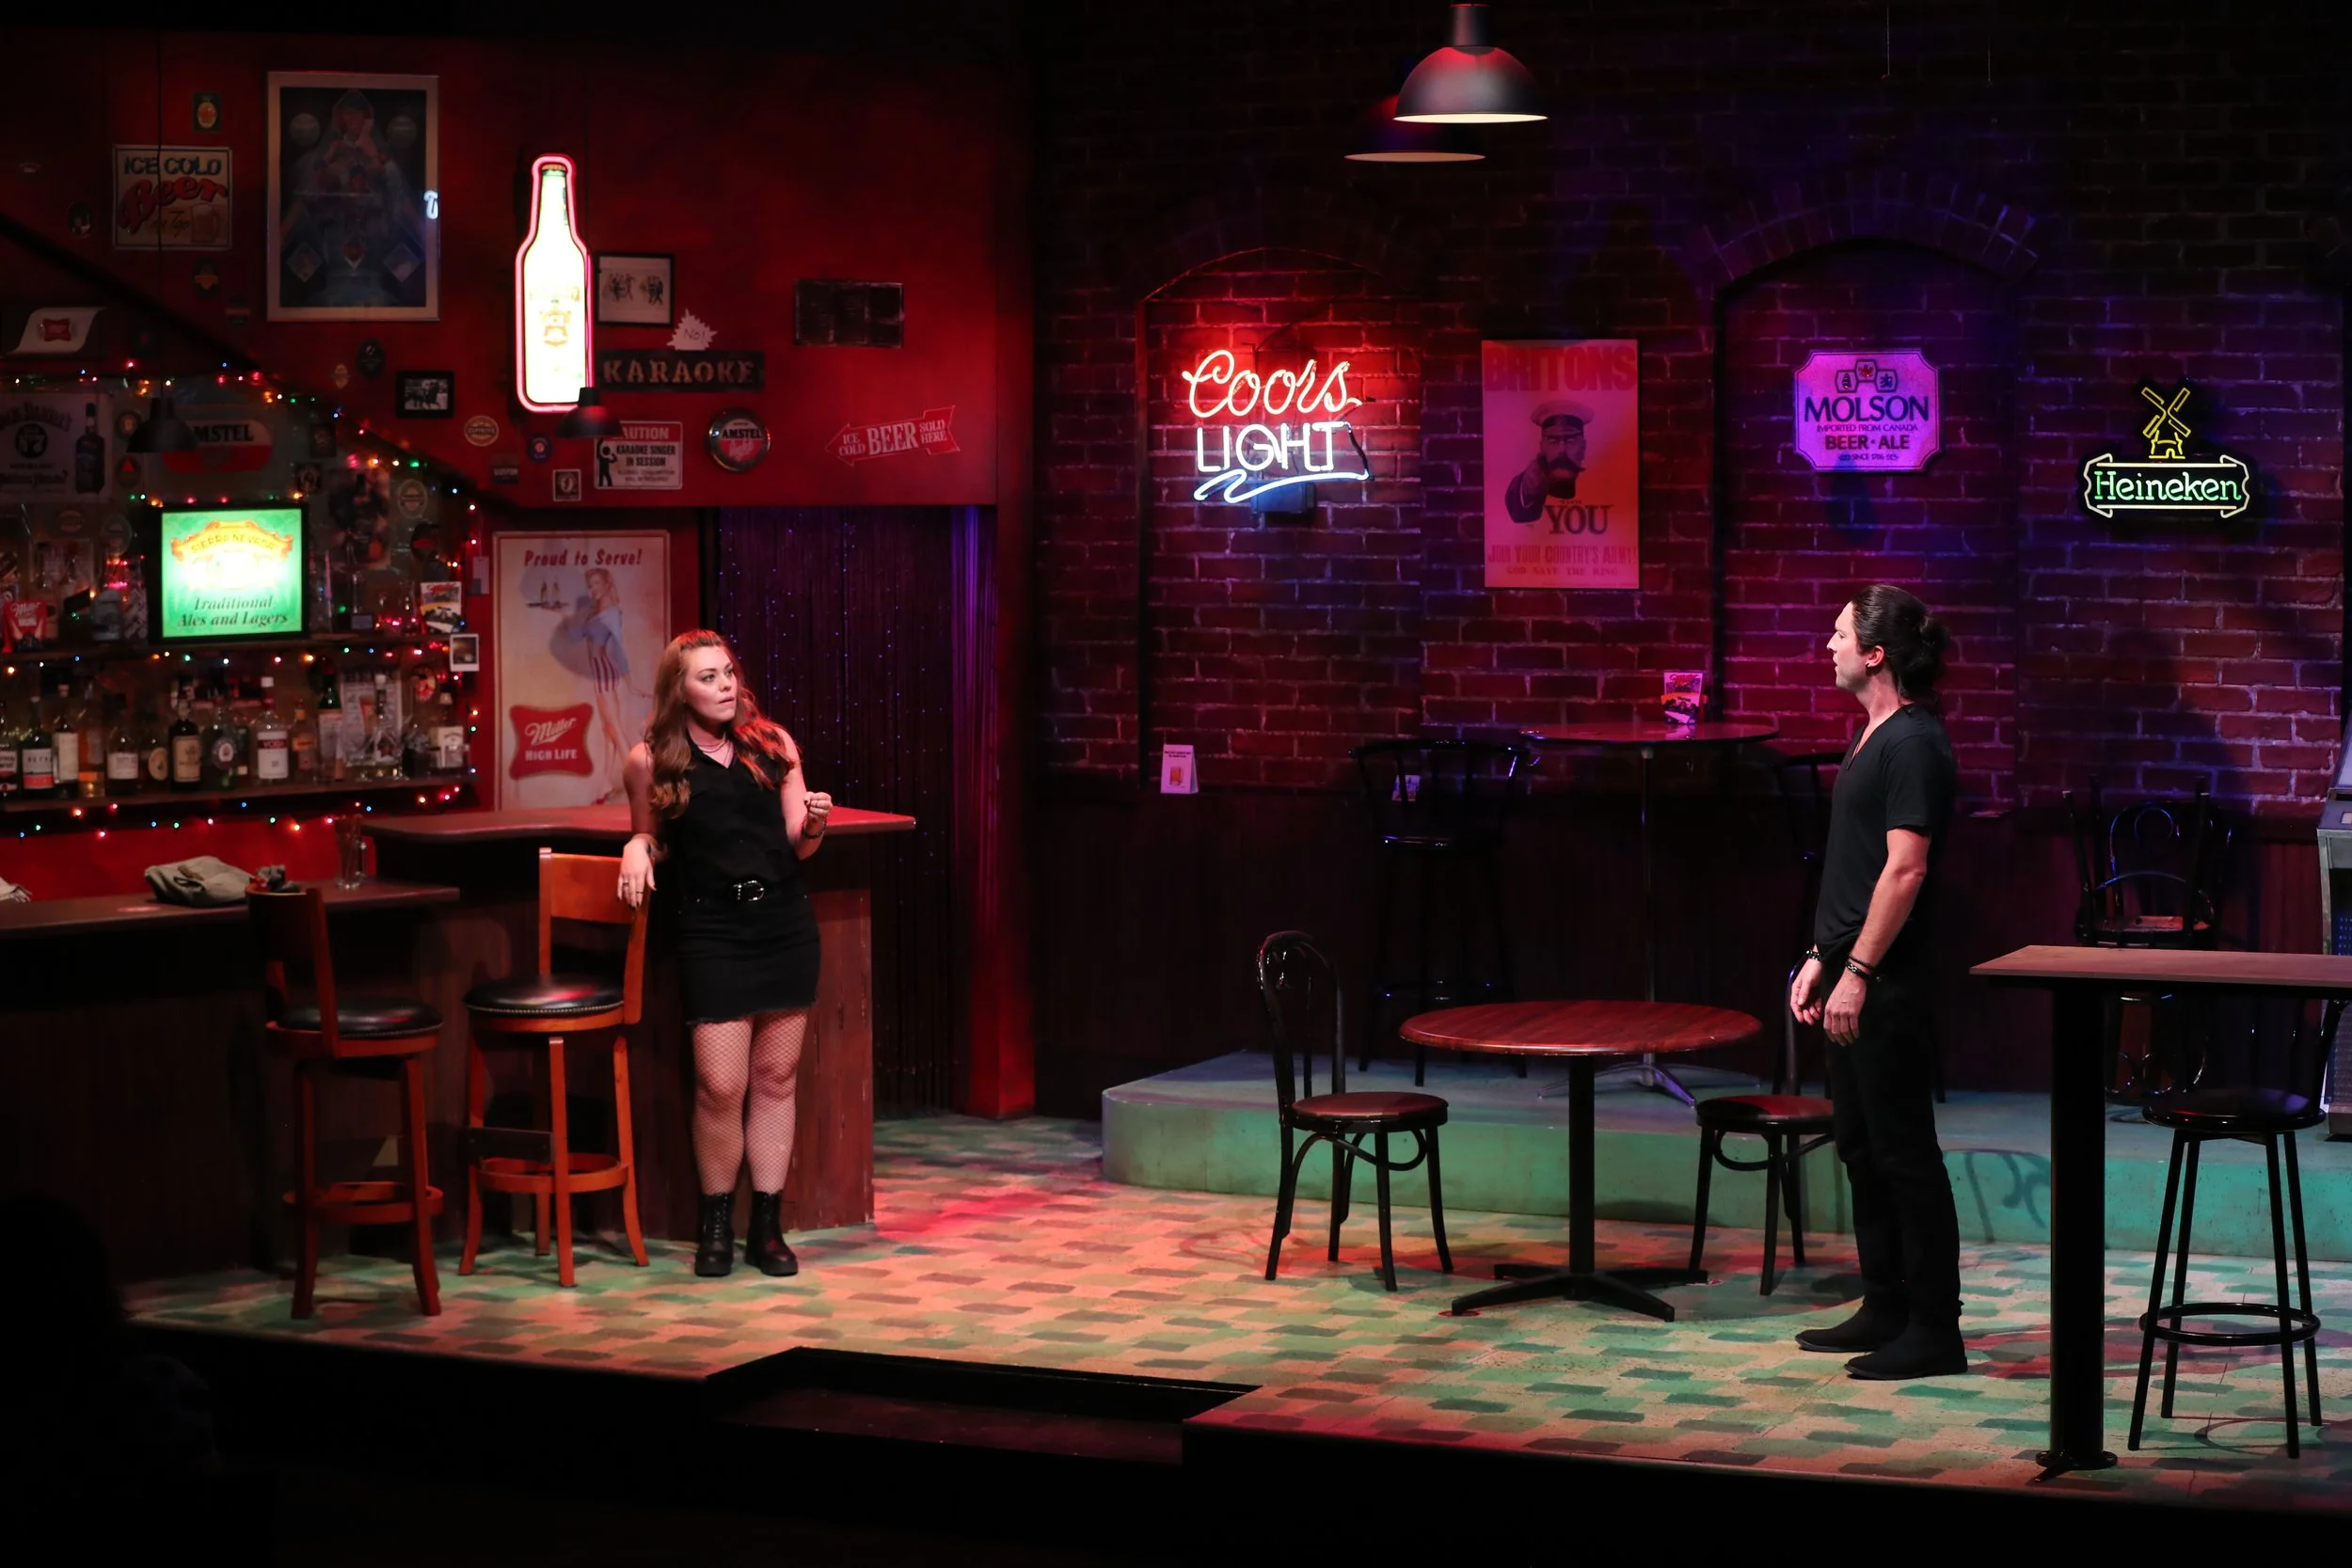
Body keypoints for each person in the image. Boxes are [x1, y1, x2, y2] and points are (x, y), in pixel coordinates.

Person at [1788, 585, 1964, 1381]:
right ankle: (1885, 1299)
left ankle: (1935, 1325)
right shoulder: (1871, 736)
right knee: (1861, 1147)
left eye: (1837, 633)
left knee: (1903, 1153)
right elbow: (1858, 871)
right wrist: (1823, 957)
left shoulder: (1914, 743)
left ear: (1875, 653)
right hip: (1851, 972)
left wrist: (1858, 970)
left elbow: (1905, 869)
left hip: (1885, 984)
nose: (1826, 645)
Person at [618, 631, 833, 1278]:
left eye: (729, 673)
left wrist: (816, 821)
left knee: (776, 1079)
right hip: (711, 931)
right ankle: (714, 1224)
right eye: (707, 677)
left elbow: (799, 842)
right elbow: (651, 837)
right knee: (720, 1085)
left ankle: (766, 1228)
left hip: (783, 922)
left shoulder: (774, 743)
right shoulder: (650, 759)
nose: (725, 685)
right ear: (677, 690)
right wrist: (635, 846)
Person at [1502, 400, 1589, 524]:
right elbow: (1519, 513)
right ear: (1542, 447)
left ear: (1583, 447)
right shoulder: (1532, 480)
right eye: (1553, 441)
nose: (1562, 451)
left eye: (1570, 441)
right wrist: (1527, 489)